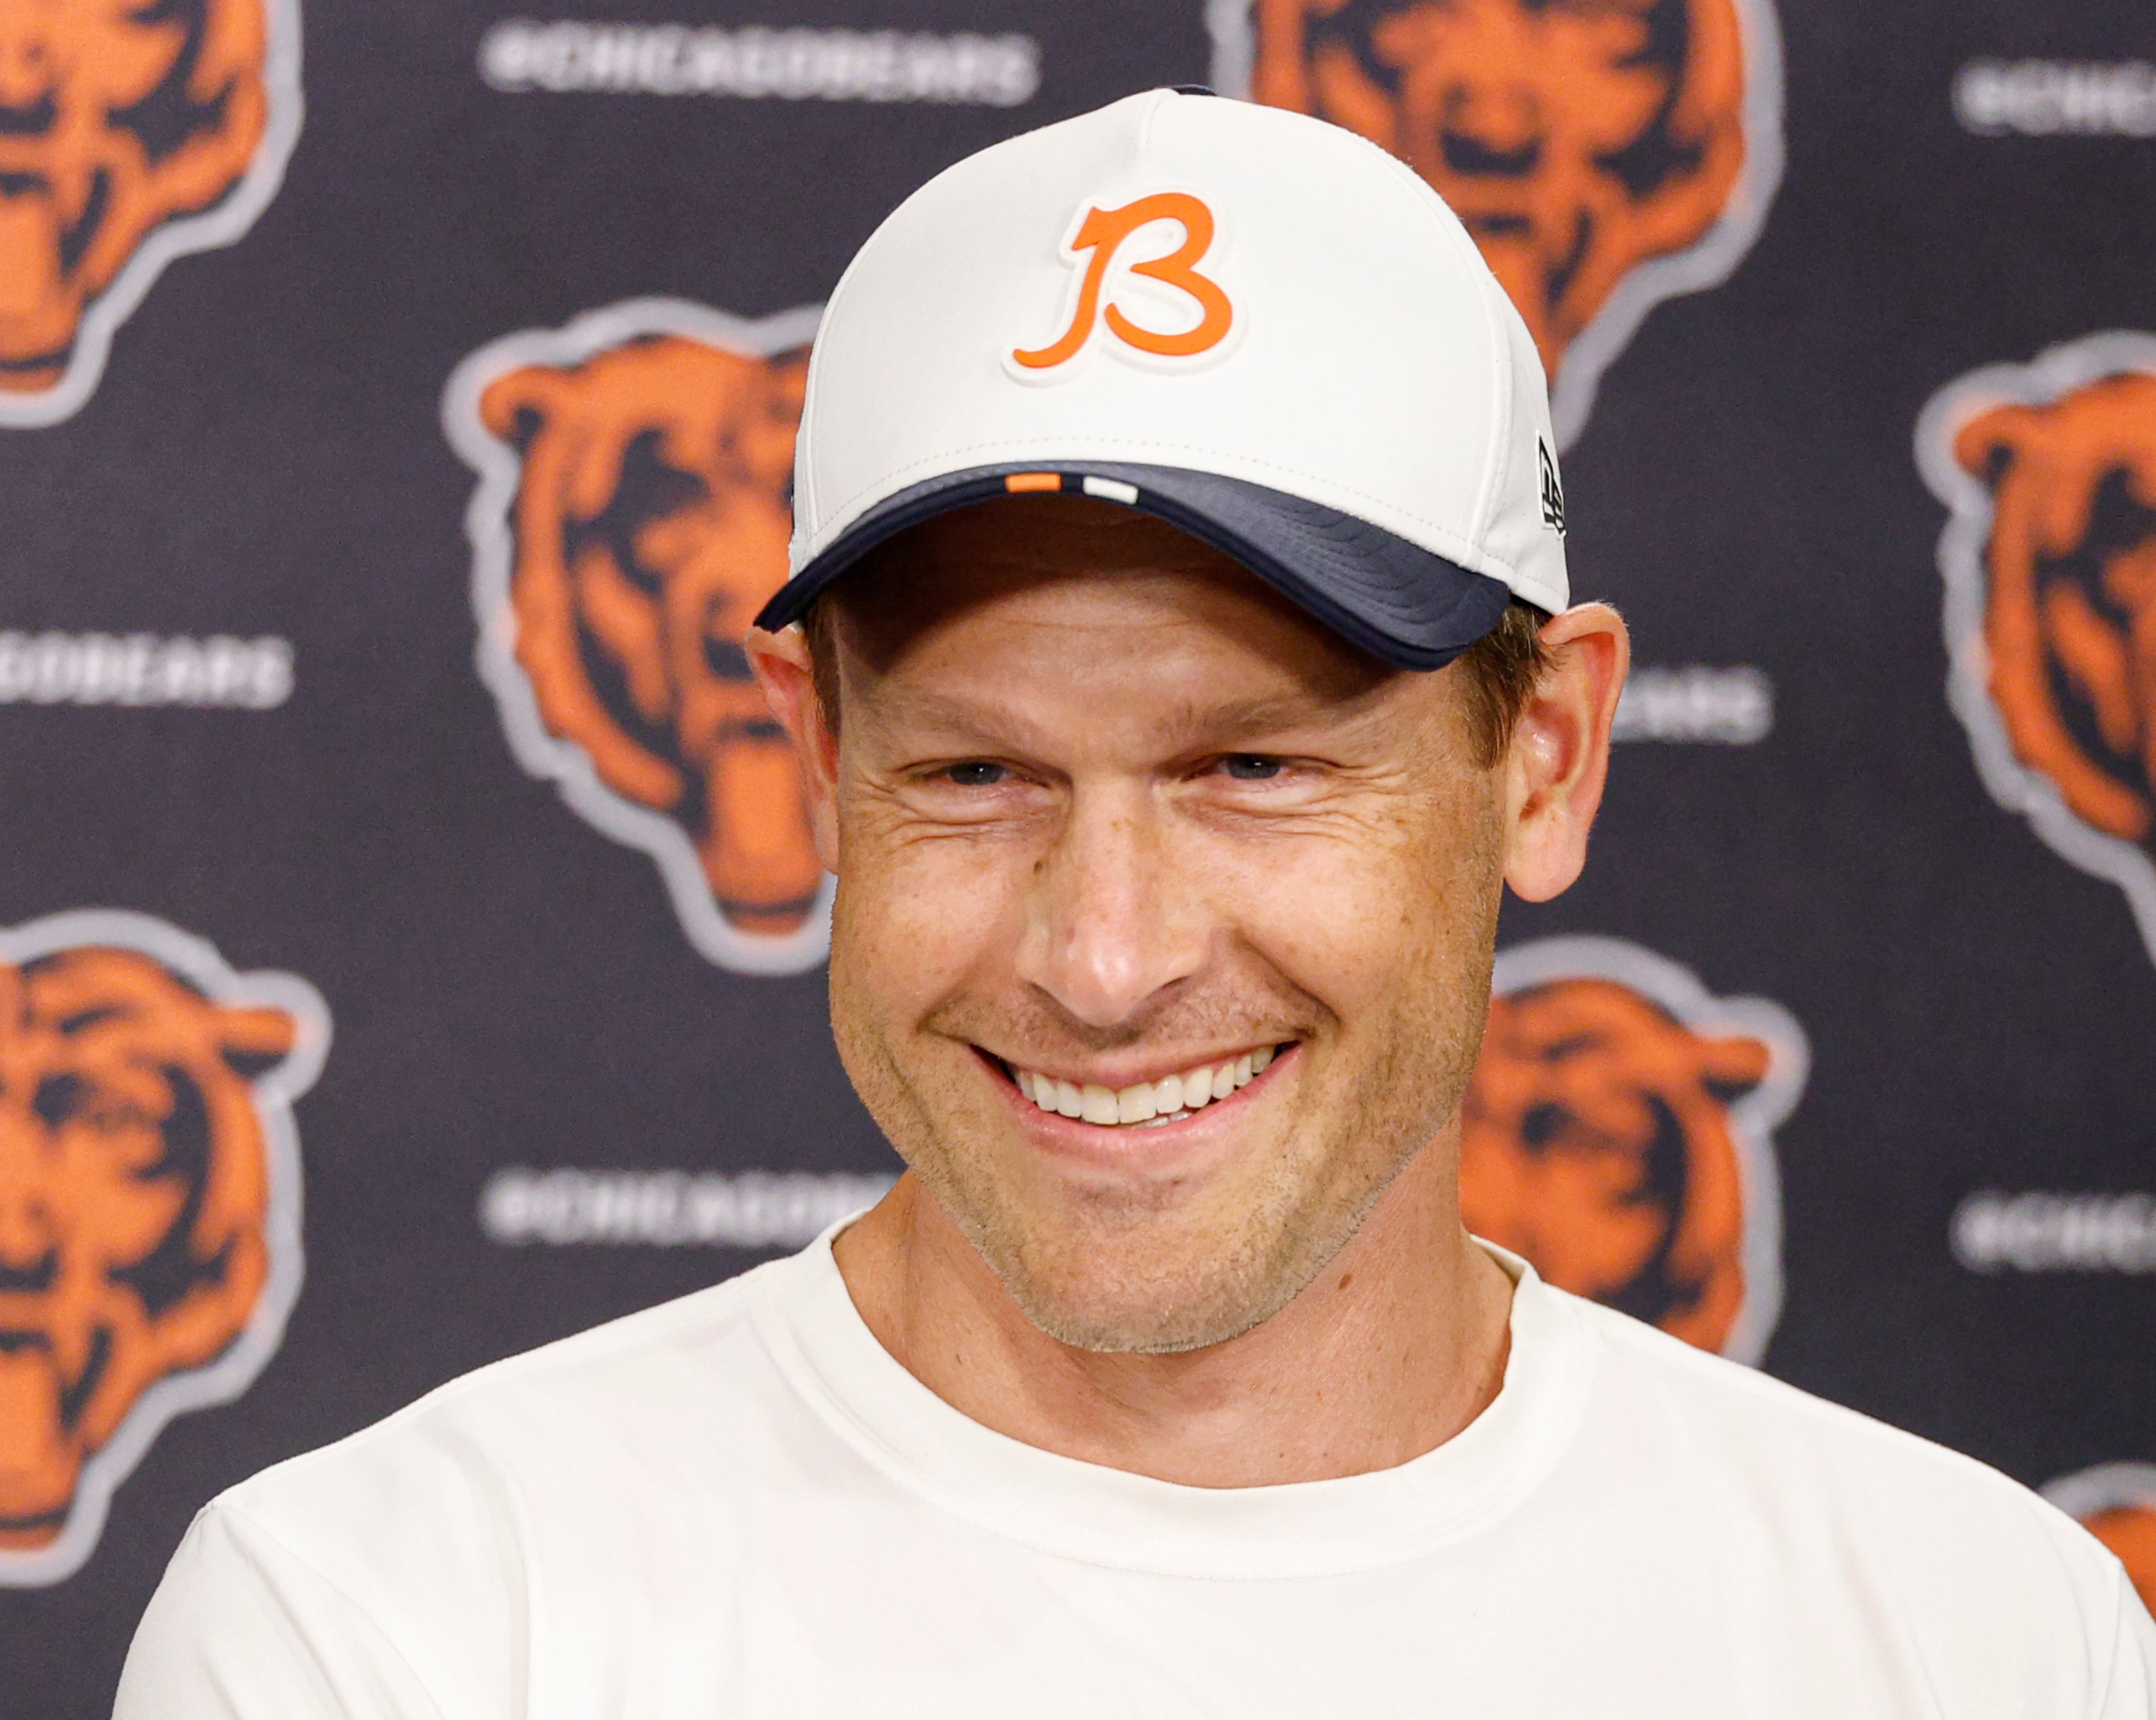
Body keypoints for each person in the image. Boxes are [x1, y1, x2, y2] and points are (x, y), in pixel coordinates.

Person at [115, 88, 2155, 1716]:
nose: (1105, 956)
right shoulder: (397, 1637)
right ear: (817, 762)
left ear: (1544, 755)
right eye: (976, 773)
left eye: (1252, 766)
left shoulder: (1980, 1648)